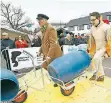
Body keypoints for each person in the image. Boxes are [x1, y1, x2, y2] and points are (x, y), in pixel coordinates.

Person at [36, 14, 62, 87]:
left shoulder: (50, 29)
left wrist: (49, 56)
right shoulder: (43, 29)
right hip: (46, 53)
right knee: (45, 66)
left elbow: (53, 43)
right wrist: (40, 51)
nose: (38, 22)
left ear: (45, 20)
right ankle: (56, 79)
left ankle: (59, 80)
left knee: (54, 69)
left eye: (40, 20)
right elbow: (43, 43)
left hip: (53, 54)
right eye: (38, 20)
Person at [88, 12, 111, 81]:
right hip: (96, 48)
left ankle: (101, 76)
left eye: (93, 20)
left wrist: (107, 52)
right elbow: (91, 40)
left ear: (99, 18)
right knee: (93, 59)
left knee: (96, 58)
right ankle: (95, 74)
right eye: (90, 20)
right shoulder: (92, 28)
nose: (92, 22)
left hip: (104, 47)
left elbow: (110, 40)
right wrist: (90, 49)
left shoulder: (107, 27)